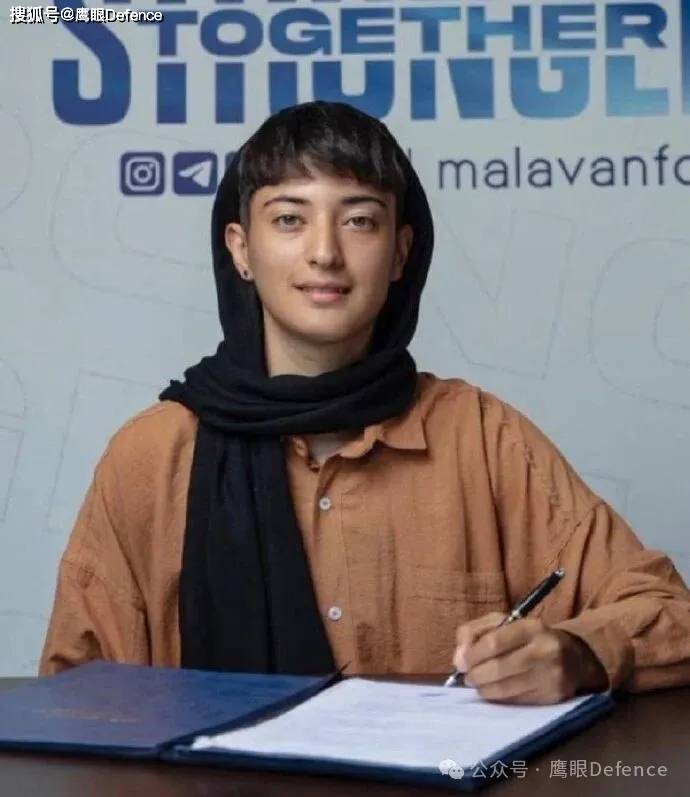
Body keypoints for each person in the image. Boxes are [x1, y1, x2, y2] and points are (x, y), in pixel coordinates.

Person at [39, 101, 690, 705]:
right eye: (289, 219)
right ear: (241, 249)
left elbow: (671, 614)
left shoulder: (482, 438)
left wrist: (578, 654)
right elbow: (74, 700)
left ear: (401, 251)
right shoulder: (153, 457)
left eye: (359, 220)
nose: (325, 252)